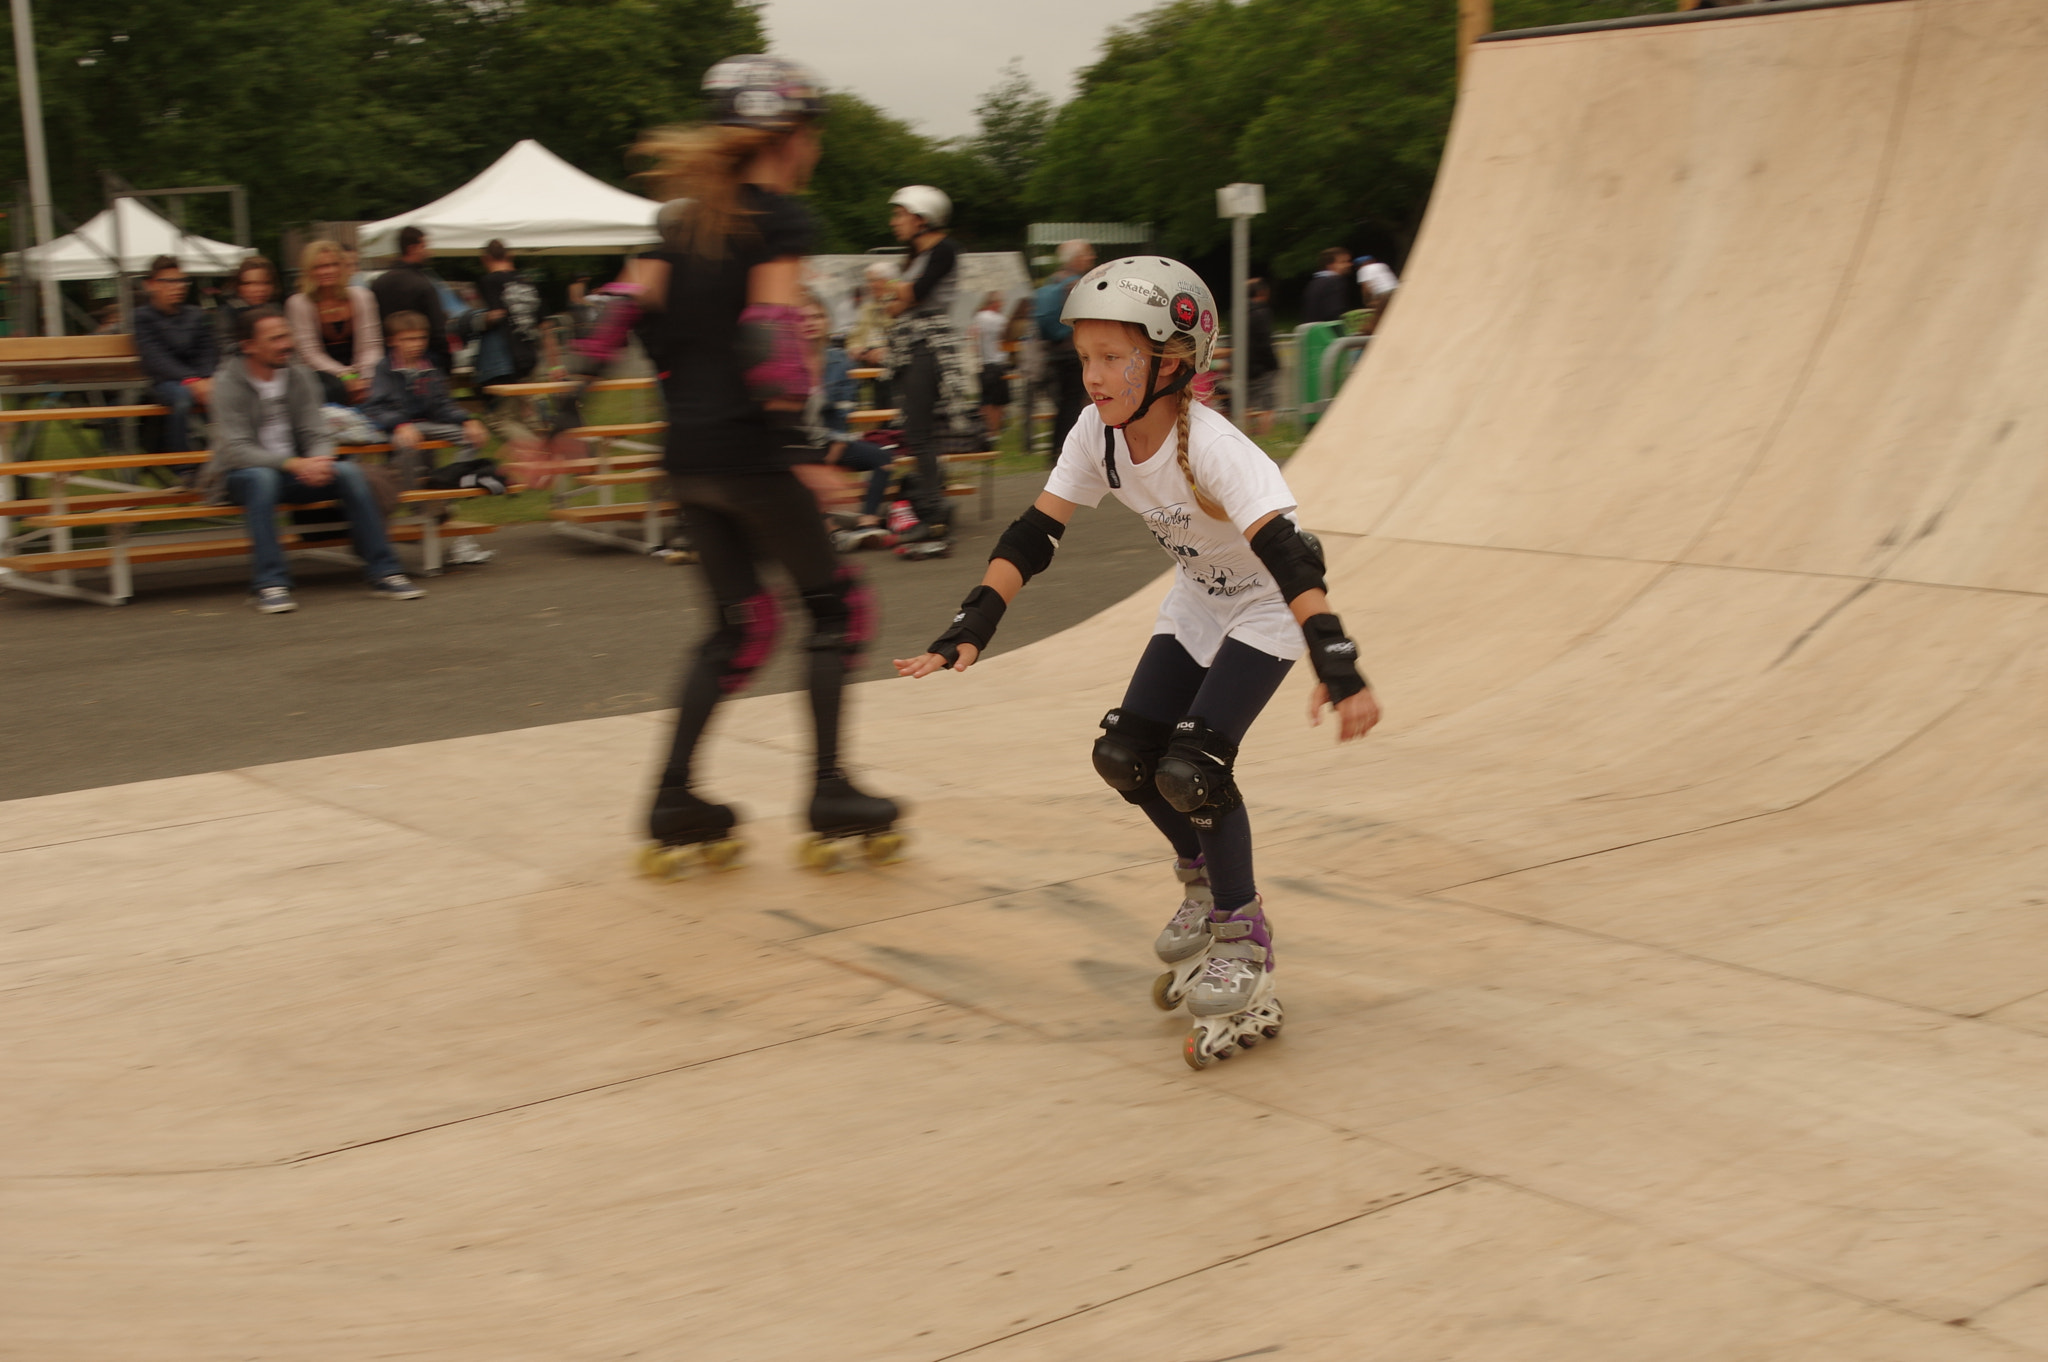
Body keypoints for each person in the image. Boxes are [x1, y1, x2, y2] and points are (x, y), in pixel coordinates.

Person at [894, 257, 1381, 1069]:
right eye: (1085, 357)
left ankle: (1242, 930)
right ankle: (1200, 877)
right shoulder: (1098, 435)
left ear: (1172, 362)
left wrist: (1337, 664)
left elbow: (1294, 564)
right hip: (1198, 599)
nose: (1094, 376)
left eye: (1114, 357)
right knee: (1124, 756)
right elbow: (1031, 537)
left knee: (1193, 768)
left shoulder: (1220, 452)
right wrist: (968, 625)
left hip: (1265, 607)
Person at [561, 53, 900, 870]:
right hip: (752, 458)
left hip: (688, 463)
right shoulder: (778, 221)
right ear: (790, 136)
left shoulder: (677, 225)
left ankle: (675, 799)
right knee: (835, 612)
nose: (814, 152)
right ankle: (829, 791)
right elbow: (772, 341)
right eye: (812, 135)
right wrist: (799, 453)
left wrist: (559, 417)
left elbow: (609, 319)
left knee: (737, 627)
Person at [194, 305, 425, 613]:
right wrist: (294, 464)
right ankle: (270, 583)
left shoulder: (299, 375)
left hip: (297, 470)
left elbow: (317, 431)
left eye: (286, 336)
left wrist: (320, 460)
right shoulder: (227, 383)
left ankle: (385, 572)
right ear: (248, 346)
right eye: (275, 339)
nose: (285, 344)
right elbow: (237, 450)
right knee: (262, 478)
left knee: (350, 473)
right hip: (240, 475)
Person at [363, 310, 497, 567]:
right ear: (393, 341)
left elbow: (442, 405)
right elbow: (375, 407)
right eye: (409, 339)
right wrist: (399, 424)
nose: (416, 344)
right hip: (398, 427)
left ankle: (446, 486)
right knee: (408, 445)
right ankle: (409, 498)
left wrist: (467, 420)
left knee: (469, 437)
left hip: (428, 424)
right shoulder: (385, 368)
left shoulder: (428, 366)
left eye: (420, 338)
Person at [884, 183, 977, 548]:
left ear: (922, 218)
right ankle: (932, 506)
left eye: (899, 214)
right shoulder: (915, 257)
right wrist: (896, 295)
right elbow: (892, 305)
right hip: (912, 346)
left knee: (919, 435)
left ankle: (933, 511)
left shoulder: (944, 250)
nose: (895, 222)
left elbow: (911, 295)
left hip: (929, 347)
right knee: (916, 432)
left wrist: (895, 292)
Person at [131, 255, 218, 453]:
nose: (178, 286)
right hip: (166, 381)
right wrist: (192, 380)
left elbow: (208, 350)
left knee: (229, 392)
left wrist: (206, 378)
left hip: (201, 379)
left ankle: (226, 455)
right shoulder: (142, 317)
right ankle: (182, 462)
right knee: (181, 398)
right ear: (150, 285)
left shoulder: (196, 315)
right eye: (169, 281)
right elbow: (154, 358)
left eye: (181, 281)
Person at [286, 239, 382, 407]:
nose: (327, 271)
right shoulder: (299, 303)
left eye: (333, 264)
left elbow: (372, 345)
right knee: (334, 390)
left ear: (343, 267)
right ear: (308, 271)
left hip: (362, 373)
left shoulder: (362, 296)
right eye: (319, 267)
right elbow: (309, 354)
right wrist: (346, 376)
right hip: (321, 377)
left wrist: (364, 377)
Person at [1034, 239, 1094, 458]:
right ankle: (1068, 451)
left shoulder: (1052, 281)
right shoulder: (1075, 285)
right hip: (1073, 351)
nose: (1091, 258)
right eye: (1087, 254)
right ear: (1076, 258)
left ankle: (1057, 449)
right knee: (1074, 402)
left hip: (1055, 351)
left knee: (1063, 403)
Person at [370, 226, 451, 374]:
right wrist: (446, 360)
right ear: (412, 248)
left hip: (387, 357)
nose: (428, 252)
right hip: (422, 357)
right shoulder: (423, 284)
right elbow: (437, 329)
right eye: (424, 246)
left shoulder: (378, 282)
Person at [216, 255, 279, 351]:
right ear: (238, 287)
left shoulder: (276, 310)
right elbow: (226, 348)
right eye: (251, 283)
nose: (260, 289)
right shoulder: (228, 313)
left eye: (266, 283)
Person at [973, 290, 1011, 446]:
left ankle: (988, 430)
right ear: (994, 303)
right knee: (998, 401)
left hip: (984, 363)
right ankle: (994, 431)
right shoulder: (999, 319)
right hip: (997, 363)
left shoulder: (978, 317)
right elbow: (1008, 335)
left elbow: (974, 339)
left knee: (986, 400)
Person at [1244, 277, 1280, 432]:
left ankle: (1245, 431)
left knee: (1247, 402)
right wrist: (1274, 363)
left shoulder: (1239, 312)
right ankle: (1265, 433)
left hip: (1244, 364)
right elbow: (1265, 340)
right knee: (1267, 402)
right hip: (1263, 365)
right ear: (1261, 293)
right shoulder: (1262, 312)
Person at [1300, 247, 1355, 324]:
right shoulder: (1335, 281)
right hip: (1329, 332)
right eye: (1344, 262)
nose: (1349, 264)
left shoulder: (1314, 283)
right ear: (1330, 265)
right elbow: (1334, 313)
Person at [1355, 253, 1400, 332]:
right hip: (1397, 290)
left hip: (1384, 294)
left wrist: (1367, 300)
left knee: (1380, 315)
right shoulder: (1383, 265)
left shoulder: (1363, 270)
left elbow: (1365, 287)